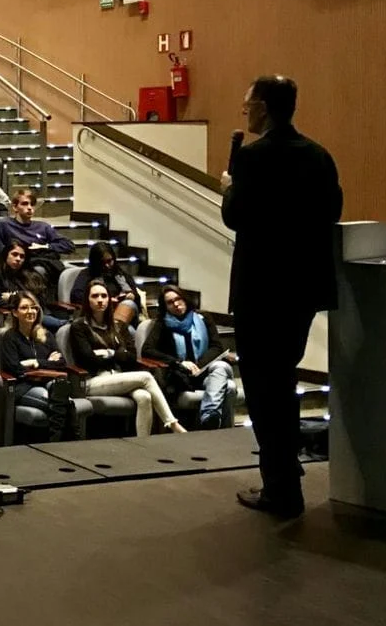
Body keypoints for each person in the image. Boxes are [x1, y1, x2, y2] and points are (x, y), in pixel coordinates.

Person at [223, 76, 340, 517]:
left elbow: (236, 216)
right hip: (304, 289)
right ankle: (286, 474)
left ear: (265, 108)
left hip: (261, 290)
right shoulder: (319, 156)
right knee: (284, 379)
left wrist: (229, 188)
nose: (245, 112)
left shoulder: (252, 158)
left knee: (262, 388)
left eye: (247, 105)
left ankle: (281, 488)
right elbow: (333, 211)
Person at [70, 280, 185, 439]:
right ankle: (173, 424)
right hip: (93, 380)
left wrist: (109, 353)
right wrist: (118, 354)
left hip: (118, 377)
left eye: (104, 296)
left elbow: (131, 357)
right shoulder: (79, 327)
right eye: (95, 296)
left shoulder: (118, 326)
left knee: (144, 397)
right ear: (87, 300)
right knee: (145, 377)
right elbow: (89, 359)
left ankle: (143, 443)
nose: (100, 300)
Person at [142, 285, 236, 431]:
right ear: (165, 306)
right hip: (182, 377)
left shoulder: (203, 318)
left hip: (205, 371)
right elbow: (147, 350)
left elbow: (217, 347)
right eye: (170, 302)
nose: (176, 304)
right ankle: (221, 431)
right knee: (230, 387)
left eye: (178, 299)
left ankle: (208, 416)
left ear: (185, 299)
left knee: (221, 366)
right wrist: (179, 362)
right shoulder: (162, 323)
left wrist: (198, 365)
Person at [0, 291, 75, 442]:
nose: (31, 311)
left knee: (61, 398)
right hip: (23, 387)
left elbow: (62, 364)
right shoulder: (10, 337)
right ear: (14, 312)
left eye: (34, 307)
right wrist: (47, 363)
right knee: (63, 403)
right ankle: (64, 443)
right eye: (24, 308)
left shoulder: (45, 335)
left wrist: (36, 363)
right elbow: (15, 369)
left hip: (47, 383)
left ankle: (57, 442)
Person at [0, 188, 74, 288]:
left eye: (32, 204)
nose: (29, 208)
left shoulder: (43, 227)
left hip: (41, 262)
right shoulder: (4, 225)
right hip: (19, 265)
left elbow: (69, 245)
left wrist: (45, 247)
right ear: (15, 207)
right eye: (24, 204)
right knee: (38, 271)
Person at [0, 241, 66, 333]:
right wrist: (20, 305)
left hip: (40, 312)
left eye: (22, 256)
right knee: (63, 327)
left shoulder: (30, 274)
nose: (18, 259)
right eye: (14, 254)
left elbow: (39, 298)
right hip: (18, 315)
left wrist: (12, 297)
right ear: (6, 255)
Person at [69, 242, 143, 324]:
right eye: (103, 263)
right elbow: (76, 295)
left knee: (129, 303)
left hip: (124, 315)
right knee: (131, 332)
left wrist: (132, 295)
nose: (107, 265)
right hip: (100, 315)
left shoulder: (120, 274)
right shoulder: (87, 274)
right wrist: (104, 299)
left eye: (109, 261)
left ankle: (115, 330)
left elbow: (136, 296)